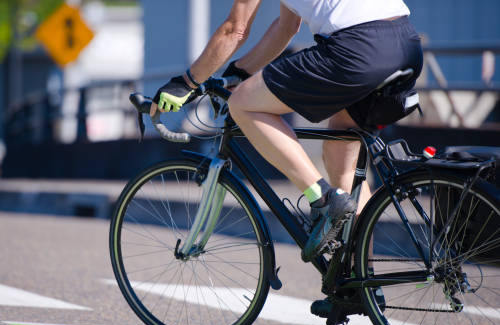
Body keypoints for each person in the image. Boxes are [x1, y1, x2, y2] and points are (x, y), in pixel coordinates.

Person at [151, 0, 423, 263]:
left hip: (357, 48)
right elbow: (287, 26)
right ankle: (360, 279)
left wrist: (185, 82)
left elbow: (235, 29)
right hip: (405, 43)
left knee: (243, 104)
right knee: (345, 164)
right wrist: (240, 71)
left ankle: (324, 199)